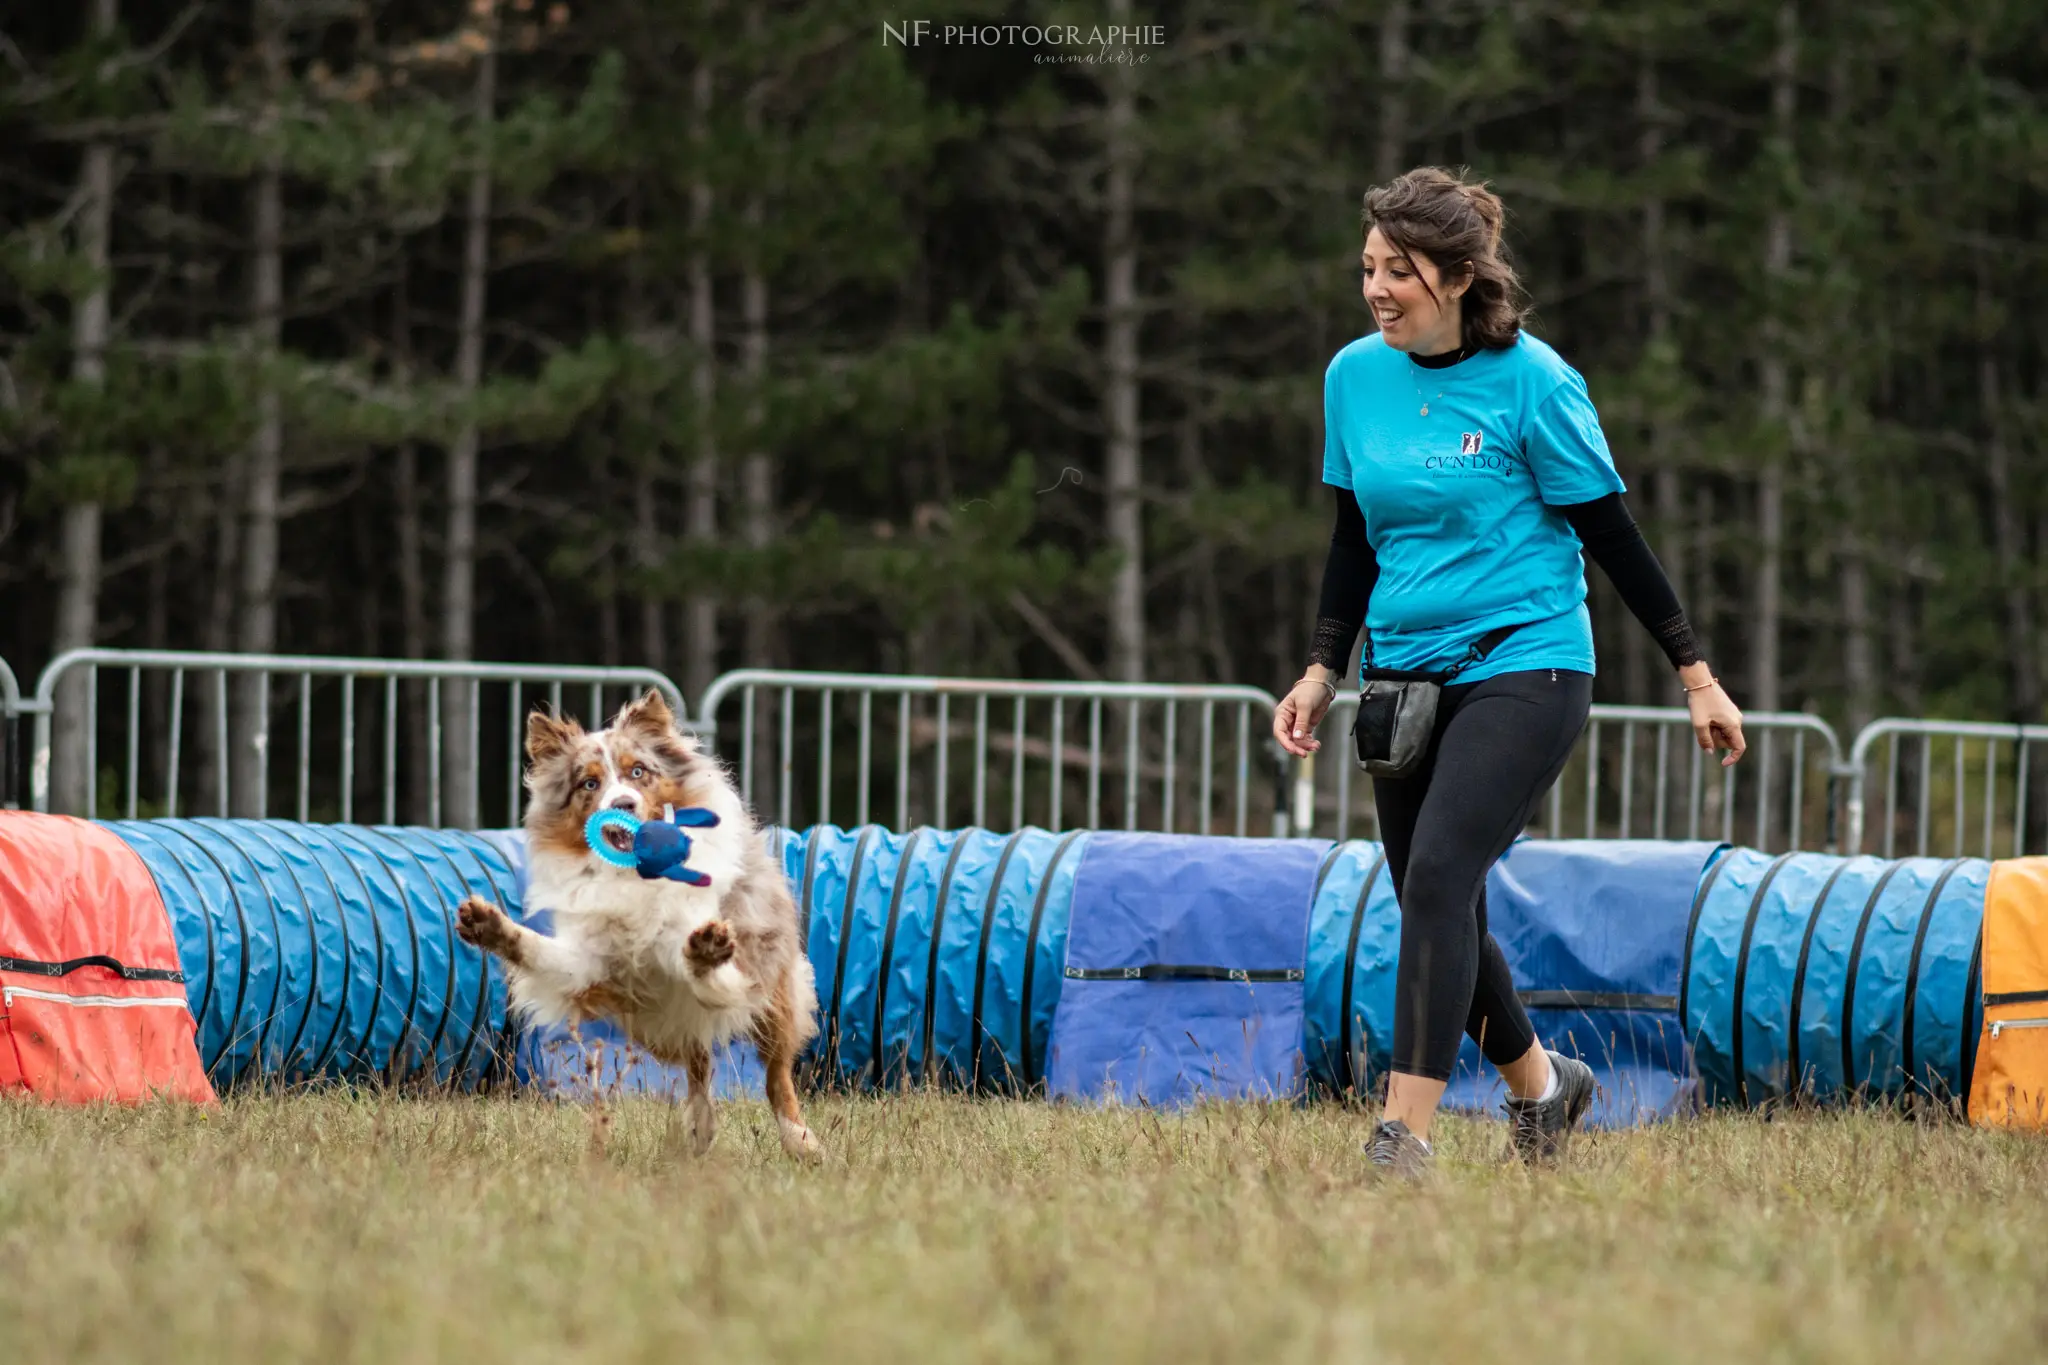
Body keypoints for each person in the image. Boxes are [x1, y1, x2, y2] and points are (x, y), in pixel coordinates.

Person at [1273, 167, 1748, 1178]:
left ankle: (1403, 1136)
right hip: (1402, 674)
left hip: (1526, 663)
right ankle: (1543, 1089)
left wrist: (1692, 669)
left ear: (1453, 275)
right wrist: (1321, 668)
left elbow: (1610, 534)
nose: (1374, 289)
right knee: (1431, 902)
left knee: (1442, 873)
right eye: (1366, 268)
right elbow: (1352, 537)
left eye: (1396, 272)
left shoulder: (1534, 382)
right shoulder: (1352, 377)